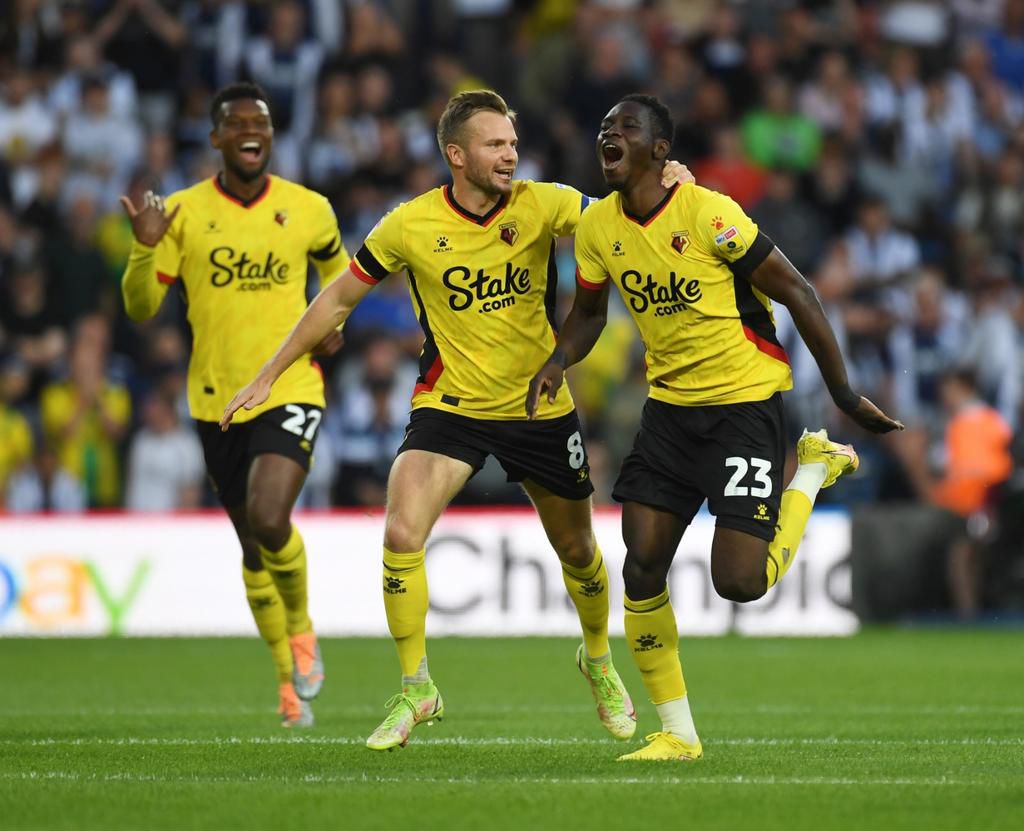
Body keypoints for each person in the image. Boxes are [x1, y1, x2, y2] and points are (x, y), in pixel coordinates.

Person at [221, 90, 694, 751]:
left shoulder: (546, 203)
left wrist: (673, 181)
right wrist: (270, 373)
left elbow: (628, 214)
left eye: (513, 143)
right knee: (400, 531)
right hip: (451, 407)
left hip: (537, 404)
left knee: (580, 553)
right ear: (457, 154)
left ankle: (596, 657)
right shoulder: (409, 224)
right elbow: (337, 299)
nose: (511, 155)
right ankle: (417, 685)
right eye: (495, 144)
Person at [527, 94, 903, 762]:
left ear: (660, 150)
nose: (609, 133)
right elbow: (588, 314)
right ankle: (678, 732)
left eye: (626, 126)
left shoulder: (709, 213)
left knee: (741, 582)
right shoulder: (597, 227)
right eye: (604, 126)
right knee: (642, 563)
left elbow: (797, 291)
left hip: (743, 407)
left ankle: (813, 468)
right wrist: (558, 360)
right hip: (670, 411)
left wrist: (844, 393)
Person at [120, 82, 350, 728]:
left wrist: (336, 324)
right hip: (215, 398)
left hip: (290, 386)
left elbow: (341, 283)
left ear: (272, 135)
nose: (252, 129)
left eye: (262, 121)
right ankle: (285, 680)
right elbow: (140, 307)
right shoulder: (183, 213)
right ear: (216, 138)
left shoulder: (309, 209)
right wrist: (144, 246)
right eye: (237, 122)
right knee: (252, 547)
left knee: (271, 516)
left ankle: (301, 628)